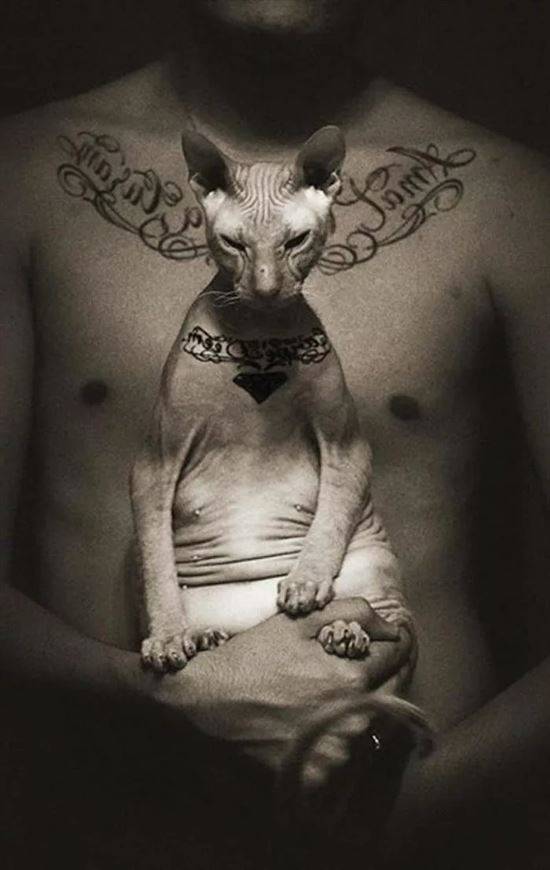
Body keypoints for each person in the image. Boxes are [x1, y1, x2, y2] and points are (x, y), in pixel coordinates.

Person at [1, 1, 550, 867]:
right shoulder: (23, 174)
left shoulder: (513, 197)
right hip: (121, 839)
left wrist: (419, 815)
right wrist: (157, 700)